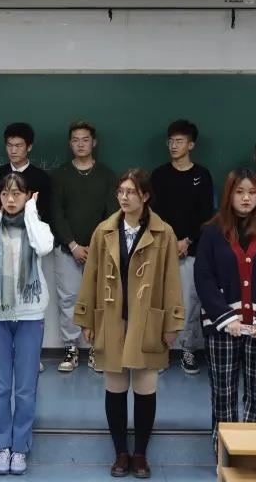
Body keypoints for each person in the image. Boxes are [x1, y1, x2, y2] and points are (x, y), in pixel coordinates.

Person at [74, 168, 183, 480]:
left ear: (145, 196)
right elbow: (91, 276)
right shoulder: (104, 231)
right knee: (115, 387)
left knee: (145, 387)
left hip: (148, 320)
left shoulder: (164, 232)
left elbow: (172, 280)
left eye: (131, 192)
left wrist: (172, 322)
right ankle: (121, 452)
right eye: (120, 192)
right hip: (112, 318)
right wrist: (86, 318)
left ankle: (141, 453)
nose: (124, 197)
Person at [194, 168, 256, 448]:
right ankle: (225, 450)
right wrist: (226, 318)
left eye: (252, 192)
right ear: (229, 195)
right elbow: (203, 278)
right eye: (240, 192)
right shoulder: (211, 232)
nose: (246, 198)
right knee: (223, 393)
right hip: (223, 327)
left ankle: (253, 451)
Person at [0, 173, 54, 476]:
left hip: (30, 315)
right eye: (6, 194)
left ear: (28, 196)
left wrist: (31, 211)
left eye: (17, 194)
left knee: (24, 388)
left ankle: (19, 447)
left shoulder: (38, 226)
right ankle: (1, 446)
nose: (10, 199)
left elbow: (43, 247)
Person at [50, 121, 118, 373]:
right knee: (69, 299)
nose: (80, 144)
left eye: (85, 139)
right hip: (67, 249)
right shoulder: (59, 175)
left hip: (101, 251)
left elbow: (112, 215)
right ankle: (71, 348)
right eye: (76, 140)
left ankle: (96, 349)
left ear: (94, 142)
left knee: (100, 300)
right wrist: (73, 245)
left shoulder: (107, 175)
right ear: (70, 144)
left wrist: (98, 246)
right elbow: (56, 213)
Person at [150, 119, 214, 376]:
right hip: (160, 248)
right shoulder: (159, 175)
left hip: (191, 249)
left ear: (191, 145)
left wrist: (187, 240)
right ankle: (159, 350)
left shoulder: (202, 175)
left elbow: (206, 215)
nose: (174, 146)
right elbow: (152, 213)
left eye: (179, 141)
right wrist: (168, 241)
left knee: (189, 301)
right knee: (158, 301)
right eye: (171, 141)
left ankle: (188, 349)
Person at [0, 122, 52, 223]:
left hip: (32, 230)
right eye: (9, 145)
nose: (13, 151)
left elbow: (45, 212)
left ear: (29, 147)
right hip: (1, 229)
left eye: (18, 146)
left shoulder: (41, 177)